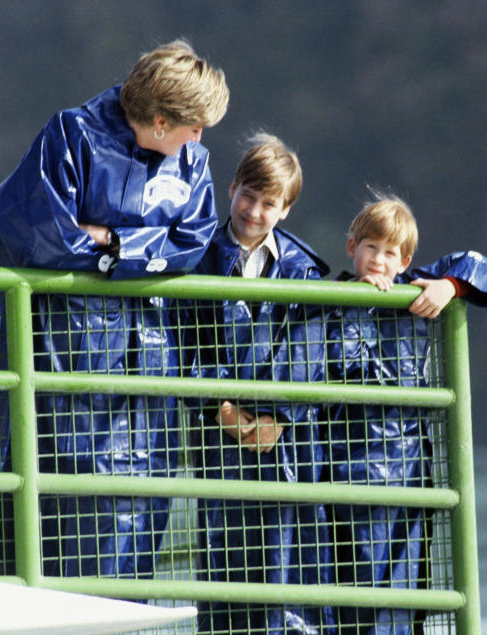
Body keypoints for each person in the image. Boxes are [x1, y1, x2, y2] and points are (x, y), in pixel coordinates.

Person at [0, 39, 229, 580]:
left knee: (135, 518)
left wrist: (114, 242)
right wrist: (145, 247)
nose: (201, 138)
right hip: (58, 353)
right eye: (194, 127)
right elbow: (40, 235)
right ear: (160, 122)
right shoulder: (72, 135)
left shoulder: (194, 163)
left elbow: (194, 242)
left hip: (148, 368)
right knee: (44, 507)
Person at [184, 133, 335, 634]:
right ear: (231, 189)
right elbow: (183, 342)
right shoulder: (195, 257)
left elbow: (309, 347)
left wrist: (279, 418)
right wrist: (222, 409)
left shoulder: (304, 268)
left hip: (288, 443)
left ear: (286, 209)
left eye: (269, 203)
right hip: (219, 438)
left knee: (293, 567)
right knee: (226, 567)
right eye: (248, 195)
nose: (254, 210)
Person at [326, 193, 487, 634]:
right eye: (370, 248)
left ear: (405, 261)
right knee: (355, 591)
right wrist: (354, 305)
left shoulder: (415, 291)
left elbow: (480, 266)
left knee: (407, 590)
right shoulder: (329, 298)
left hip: (408, 473)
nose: (379, 261)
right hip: (348, 470)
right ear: (351, 248)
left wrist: (449, 287)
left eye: (389, 253)